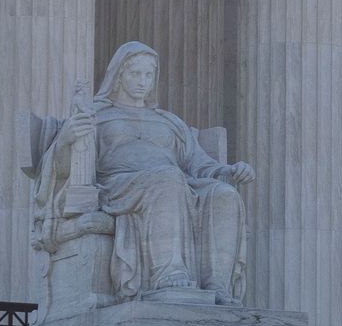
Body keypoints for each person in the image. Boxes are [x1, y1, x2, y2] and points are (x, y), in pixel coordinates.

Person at [25, 41, 254, 305]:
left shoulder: (170, 121)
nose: (142, 82)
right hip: (117, 186)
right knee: (168, 178)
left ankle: (217, 286)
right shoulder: (96, 114)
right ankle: (168, 274)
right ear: (119, 75)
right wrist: (65, 138)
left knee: (224, 194)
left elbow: (199, 164)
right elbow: (62, 168)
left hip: (176, 183)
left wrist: (230, 171)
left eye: (148, 75)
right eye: (135, 74)